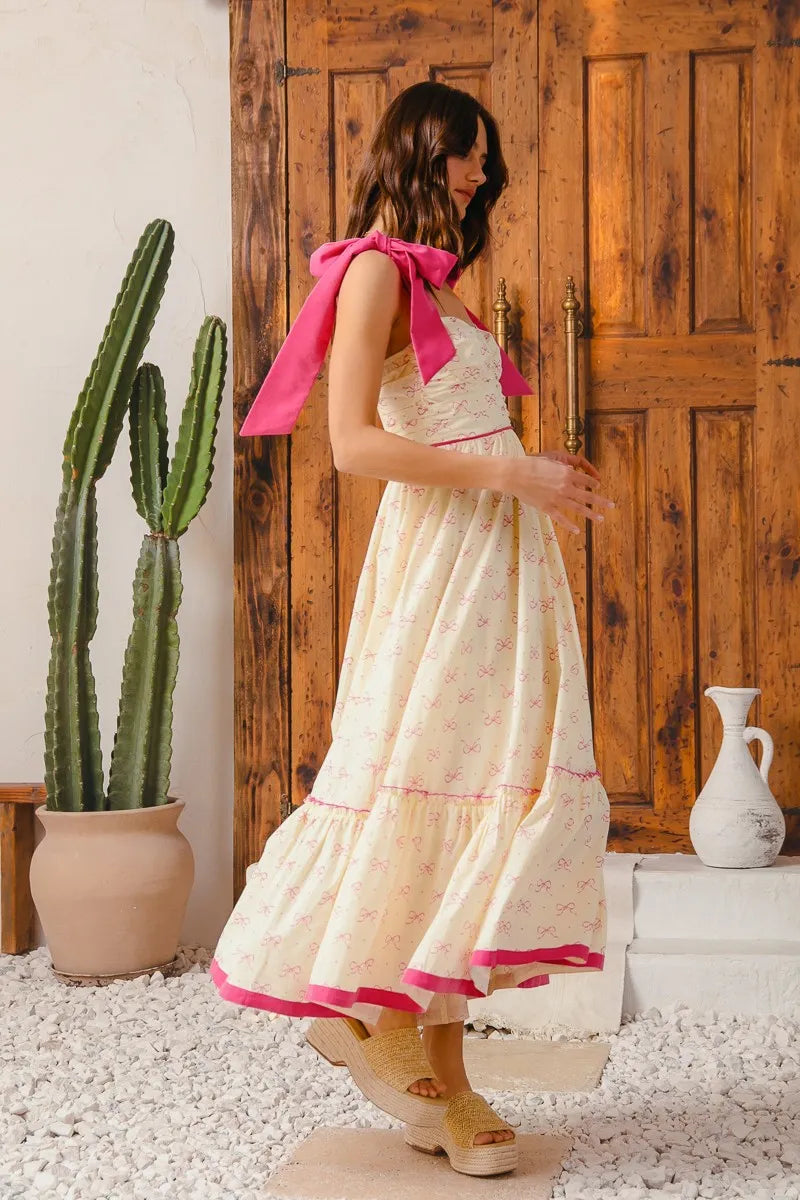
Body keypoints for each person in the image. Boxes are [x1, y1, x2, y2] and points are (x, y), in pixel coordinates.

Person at [211, 80, 615, 1178]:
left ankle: (406, 1039)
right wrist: (512, 473)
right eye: (461, 155)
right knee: (436, 781)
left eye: (483, 157)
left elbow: (463, 429)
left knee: (488, 785)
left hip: (497, 562)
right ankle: (428, 1062)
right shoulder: (374, 273)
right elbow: (351, 443)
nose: (478, 175)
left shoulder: (439, 281)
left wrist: (530, 476)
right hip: (442, 562)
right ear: (414, 153)